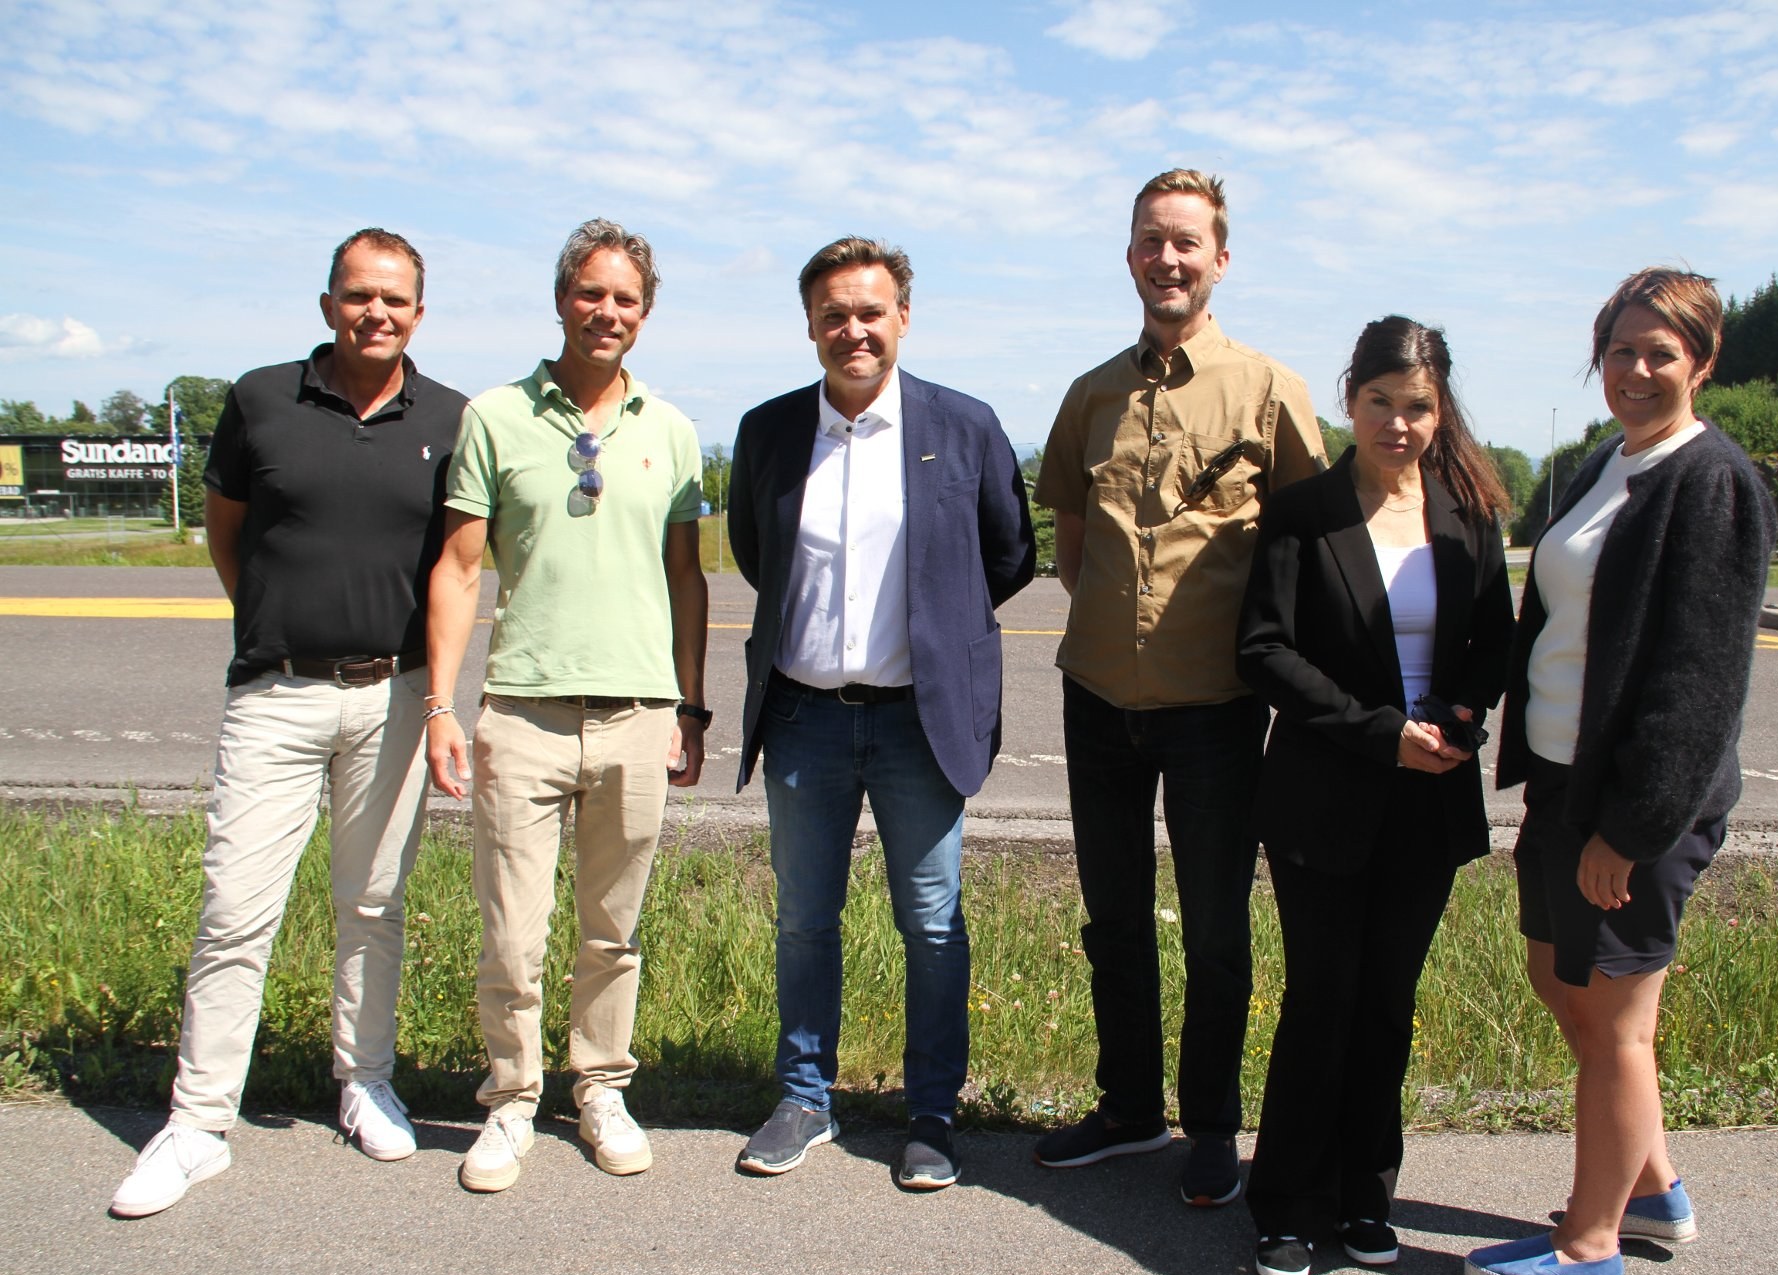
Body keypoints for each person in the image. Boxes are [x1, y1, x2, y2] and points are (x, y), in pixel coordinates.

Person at [110, 228, 465, 1218]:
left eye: (394, 299)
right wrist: (280, 623)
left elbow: (453, 570)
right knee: (236, 908)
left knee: (372, 904)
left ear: (418, 314)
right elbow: (229, 537)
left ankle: (364, 1082)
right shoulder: (262, 400)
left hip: (390, 697)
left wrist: (436, 698)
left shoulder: (448, 417)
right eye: (357, 295)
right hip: (275, 693)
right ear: (326, 305)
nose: (375, 312)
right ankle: (198, 1120)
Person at [1462, 268, 1776, 1275]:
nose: (1635, 371)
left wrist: (1631, 831)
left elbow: (1697, 680)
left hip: (1634, 803)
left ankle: (1589, 1247)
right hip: (1561, 779)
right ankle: (1652, 1190)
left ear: (1702, 359)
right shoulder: (1612, 462)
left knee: (1614, 1021)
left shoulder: (1709, 481)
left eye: (1659, 352)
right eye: (1618, 350)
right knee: (1558, 982)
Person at [1031, 169, 1325, 1206]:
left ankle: (1208, 1122)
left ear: (1219, 260)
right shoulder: (1089, 397)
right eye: (1150, 241)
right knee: (1111, 916)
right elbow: (1070, 549)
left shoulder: (1269, 392)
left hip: (1215, 709)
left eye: (1186, 243)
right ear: (1128, 256)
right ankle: (1125, 1109)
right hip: (1097, 697)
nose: (1167, 259)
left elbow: (1311, 553)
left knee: (1213, 924)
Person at [728, 237, 1035, 1189]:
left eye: (871, 311)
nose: (853, 329)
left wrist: (936, 627)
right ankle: (804, 1097)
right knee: (804, 918)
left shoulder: (964, 425)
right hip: (805, 720)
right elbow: (752, 547)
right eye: (834, 313)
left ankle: (932, 1113)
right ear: (811, 324)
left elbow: (1009, 552)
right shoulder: (771, 431)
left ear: (904, 317)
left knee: (932, 920)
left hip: (918, 721)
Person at [425, 219, 709, 1194]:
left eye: (625, 298)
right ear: (561, 300)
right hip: (522, 713)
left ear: (646, 312)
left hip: (637, 713)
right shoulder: (496, 418)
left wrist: (693, 706)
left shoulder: (670, 432)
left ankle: (600, 1087)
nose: (607, 312)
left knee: (611, 929)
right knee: (512, 929)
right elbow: (460, 566)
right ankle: (510, 1100)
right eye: (591, 293)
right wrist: (440, 706)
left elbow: (686, 577)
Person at [1236, 318, 1514, 1275]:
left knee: (1388, 1003)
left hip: (1428, 798)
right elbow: (1264, 650)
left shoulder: (1467, 513)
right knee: (1322, 999)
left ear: (1442, 410)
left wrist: (1460, 716)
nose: (1400, 423)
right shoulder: (1304, 510)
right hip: (1323, 793)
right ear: (1351, 399)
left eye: (1420, 406)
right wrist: (1375, 731)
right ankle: (1282, 1203)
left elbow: (1492, 638)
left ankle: (1365, 1193)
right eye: (1382, 403)